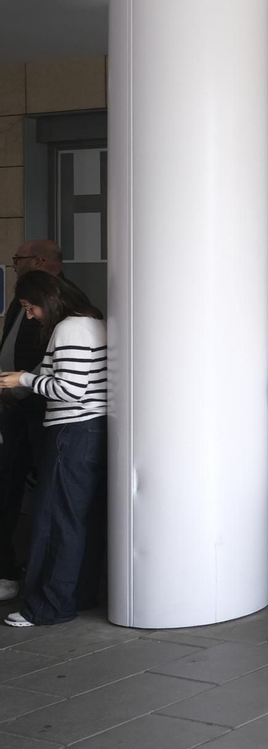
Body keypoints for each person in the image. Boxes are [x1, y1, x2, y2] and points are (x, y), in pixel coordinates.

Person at [0, 272, 107, 627]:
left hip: (71, 432)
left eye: (30, 307)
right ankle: (77, 595)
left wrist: (23, 380)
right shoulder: (91, 321)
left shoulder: (69, 329)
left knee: (54, 523)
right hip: (90, 431)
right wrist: (19, 383)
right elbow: (55, 372)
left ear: (49, 299)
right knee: (79, 522)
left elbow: (69, 389)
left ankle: (46, 606)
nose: (29, 315)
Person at [0, 240, 65, 603]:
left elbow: (50, 362)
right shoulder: (22, 298)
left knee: (43, 491)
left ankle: (36, 574)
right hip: (14, 406)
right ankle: (8, 569)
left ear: (38, 261)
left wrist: (19, 388)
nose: (12, 264)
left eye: (16, 258)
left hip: (39, 408)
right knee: (8, 485)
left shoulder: (59, 305)